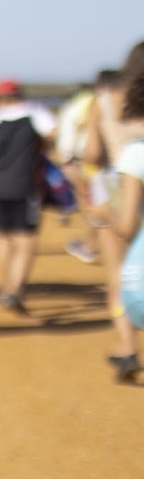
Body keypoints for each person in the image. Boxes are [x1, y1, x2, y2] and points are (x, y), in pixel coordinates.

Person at [0, 79, 57, 314]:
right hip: (27, 185)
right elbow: (53, 133)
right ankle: (16, 291)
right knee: (26, 239)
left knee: (3, 238)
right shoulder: (35, 112)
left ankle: (4, 291)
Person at [94, 47, 144, 380]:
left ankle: (128, 348)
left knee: (119, 277)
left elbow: (90, 152)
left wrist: (104, 214)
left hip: (118, 184)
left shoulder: (103, 101)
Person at [54, 82, 98, 263]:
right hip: (86, 159)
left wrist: (68, 156)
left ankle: (89, 246)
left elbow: (82, 126)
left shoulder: (81, 104)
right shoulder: (92, 101)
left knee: (90, 202)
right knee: (91, 200)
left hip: (80, 159)